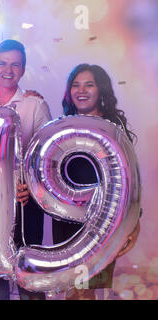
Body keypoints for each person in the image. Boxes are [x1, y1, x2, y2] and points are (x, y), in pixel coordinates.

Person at [53, 63, 140, 300]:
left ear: (100, 90)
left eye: (89, 84)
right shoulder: (62, 126)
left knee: (88, 291)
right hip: (68, 224)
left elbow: (130, 179)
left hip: (104, 223)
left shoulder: (115, 126)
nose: (81, 90)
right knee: (74, 291)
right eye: (76, 85)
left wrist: (134, 222)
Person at [0, 39, 52, 300]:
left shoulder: (36, 106)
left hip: (26, 203)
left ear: (22, 69)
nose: (8, 70)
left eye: (15, 65)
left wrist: (31, 186)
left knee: (30, 282)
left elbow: (48, 158)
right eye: (2, 64)